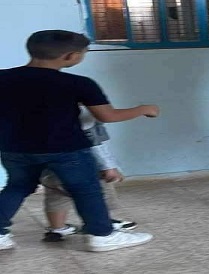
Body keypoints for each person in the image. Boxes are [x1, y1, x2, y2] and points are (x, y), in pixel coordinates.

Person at [0, 30, 158, 251]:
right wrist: (144, 109)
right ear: (70, 56)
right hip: (67, 149)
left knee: (17, 187)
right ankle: (102, 235)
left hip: (14, 149)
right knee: (86, 190)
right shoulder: (78, 83)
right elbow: (107, 116)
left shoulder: (3, 78)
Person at [40, 107, 137, 242]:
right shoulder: (84, 116)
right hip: (83, 168)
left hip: (51, 168)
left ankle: (57, 229)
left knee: (56, 197)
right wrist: (109, 167)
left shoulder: (45, 113)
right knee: (97, 195)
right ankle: (101, 224)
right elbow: (95, 146)